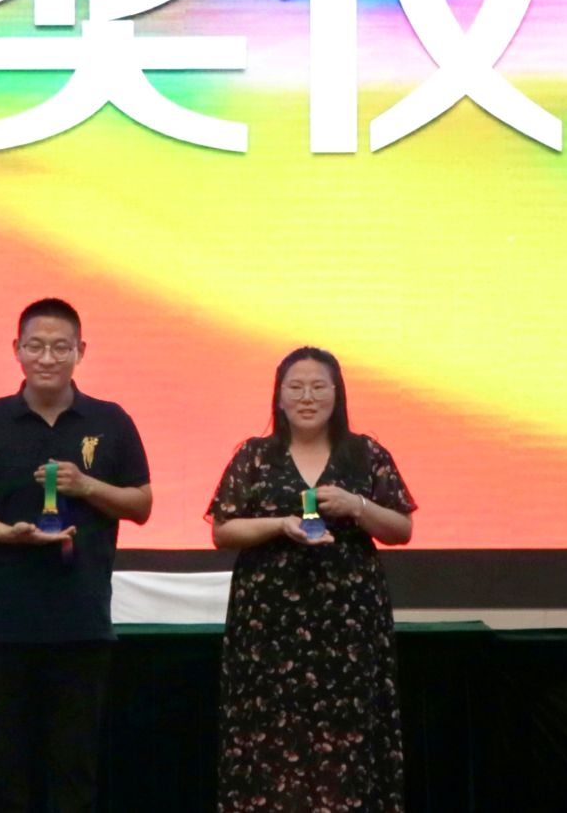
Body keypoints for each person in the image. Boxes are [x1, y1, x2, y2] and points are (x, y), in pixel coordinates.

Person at [0, 297, 153, 813]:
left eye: (61, 347)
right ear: (16, 349)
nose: (48, 358)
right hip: (1, 625)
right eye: (35, 346)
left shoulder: (111, 420)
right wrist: (7, 535)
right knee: (3, 777)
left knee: (74, 775)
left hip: (81, 624)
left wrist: (87, 485)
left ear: (81, 351)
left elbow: (142, 505)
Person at [208, 345, 416, 813]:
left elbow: (401, 529)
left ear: (337, 394)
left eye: (319, 386)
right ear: (279, 396)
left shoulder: (365, 453)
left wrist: (356, 506)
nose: (307, 397)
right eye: (296, 387)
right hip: (268, 628)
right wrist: (280, 525)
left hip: (347, 627)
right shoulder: (255, 455)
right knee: (268, 742)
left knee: (347, 742)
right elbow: (223, 530)